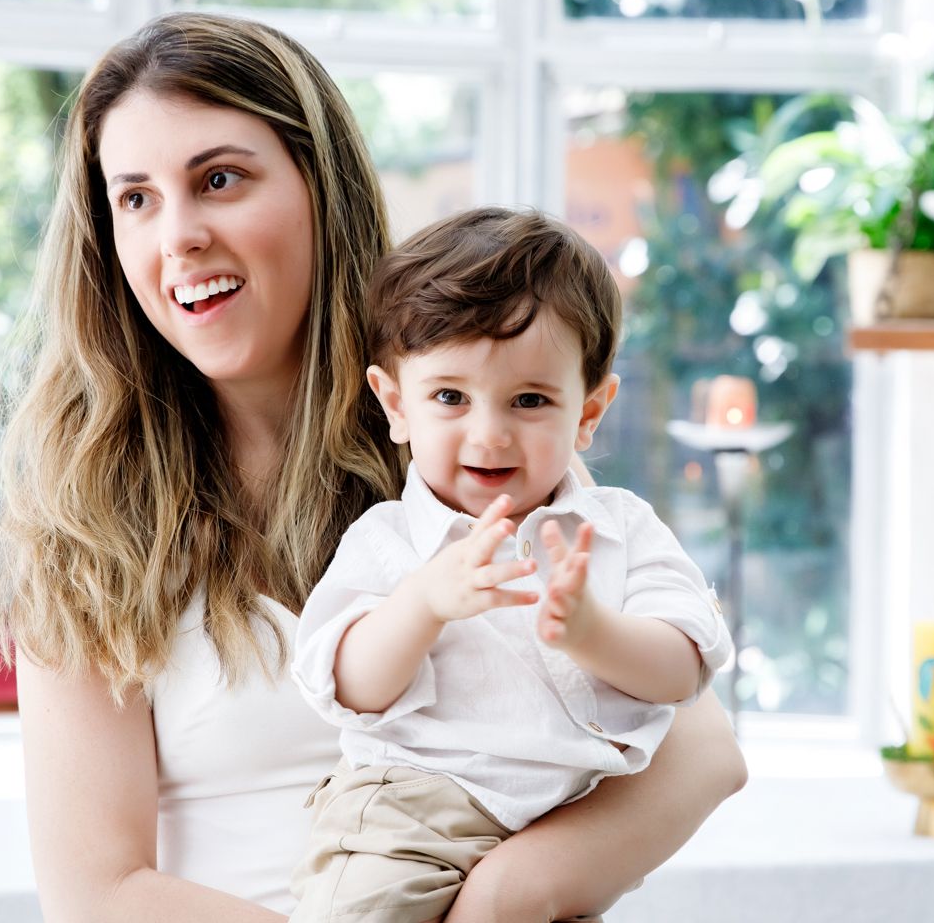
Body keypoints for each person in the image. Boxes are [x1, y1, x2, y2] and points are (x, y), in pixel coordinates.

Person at [0, 11, 747, 923]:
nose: (178, 235)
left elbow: (701, 750)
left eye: (219, 179)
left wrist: (506, 895)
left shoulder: (461, 432)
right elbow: (96, 894)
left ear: (321, 187)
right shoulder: (83, 521)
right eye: (136, 198)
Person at [288, 207, 735, 923]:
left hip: (564, 818)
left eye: (530, 400)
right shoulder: (389, 540)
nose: (490, 434)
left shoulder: (620, 529)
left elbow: (685, 670)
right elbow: (349, 687)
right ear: (396, 405)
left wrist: (593, 633)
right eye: (450, 398)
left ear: (588, 413)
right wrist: (422, 605)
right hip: (412, 815)